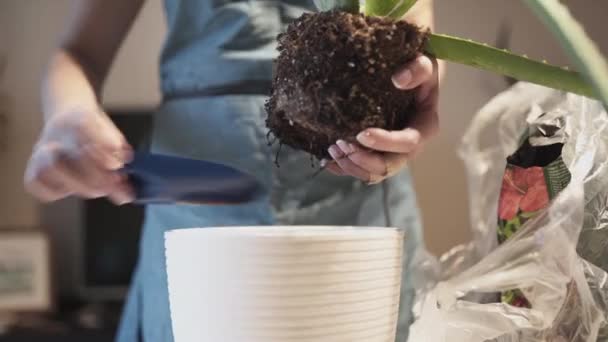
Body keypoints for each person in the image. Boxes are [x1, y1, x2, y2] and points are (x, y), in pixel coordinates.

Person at [24, 0, 441, 340]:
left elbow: (415, 44)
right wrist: (69, 111)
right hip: (195, 213)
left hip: (357, 207)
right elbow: (79, 53)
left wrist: (420, 92)